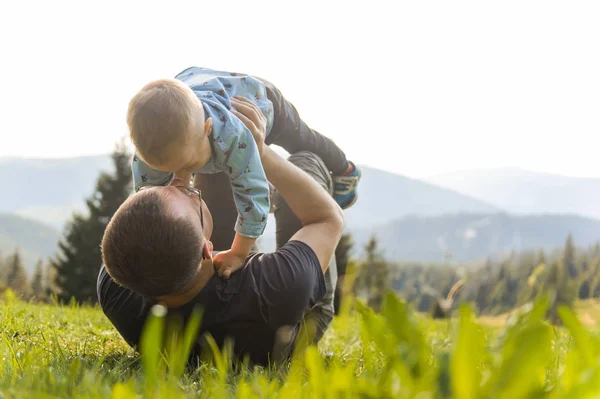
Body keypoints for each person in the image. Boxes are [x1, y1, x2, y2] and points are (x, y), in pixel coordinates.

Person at [98, 97, 343, 366]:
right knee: (307, 163)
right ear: (207, 248)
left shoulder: (117, 287)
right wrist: (261, 153)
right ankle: (287, 187)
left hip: (232, 296)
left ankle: (250, 195)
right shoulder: (276, 286)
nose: (182, 180)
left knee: (216, 158)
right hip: (291, 324)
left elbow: (140, 228)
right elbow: (327, 219)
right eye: (191, 196)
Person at [126, 67, 359, 278]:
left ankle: (344, 169)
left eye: (187, 166)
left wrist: (238, 253)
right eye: (171, 170)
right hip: (197, 88)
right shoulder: (150, 151)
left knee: (303, 139)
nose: (182, 174)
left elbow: (254, 200)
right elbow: (150, 204)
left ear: (207, 129)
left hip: (258, 99)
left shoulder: (232, 139)